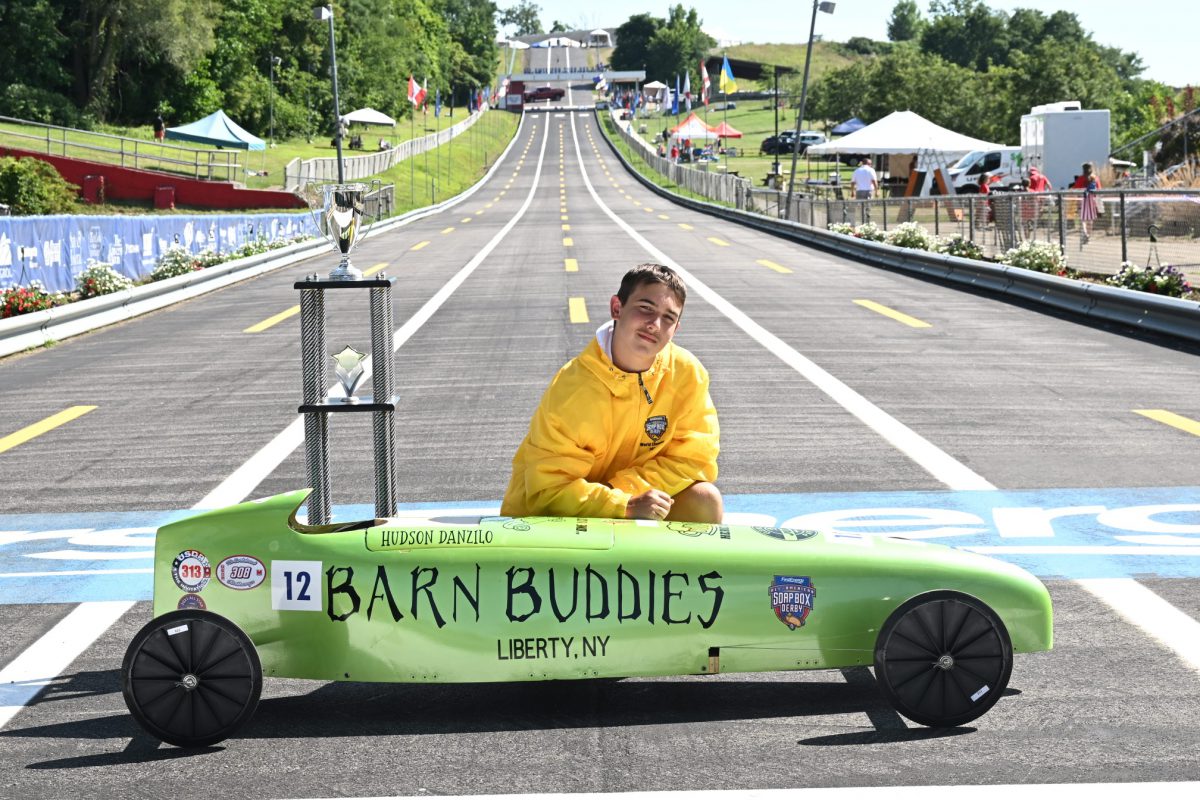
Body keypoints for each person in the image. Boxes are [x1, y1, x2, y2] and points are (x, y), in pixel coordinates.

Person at [501, 264, 722, 523]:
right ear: (617, 308)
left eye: (668, 318)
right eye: (645, 308)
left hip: (633, 504)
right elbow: (547, 490)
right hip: (556, 519)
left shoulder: (687, 374)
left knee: (705, 500)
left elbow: (695, 458)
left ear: (676, 329)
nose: (654, 324)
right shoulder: (573, 388)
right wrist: (622, 504)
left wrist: (625, 495)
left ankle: (679, 566)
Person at [1071, 162, 1102, 244]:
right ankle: (1088, 236)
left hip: (1082, 199)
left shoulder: (1080, 178)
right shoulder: (1095, 178)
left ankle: (1085, 233)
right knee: (1090, 219)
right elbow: (1099, 190)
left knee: (1083, 218)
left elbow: (1075, 189)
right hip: (1092, 200)